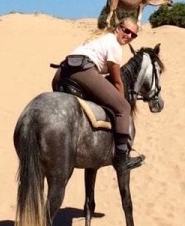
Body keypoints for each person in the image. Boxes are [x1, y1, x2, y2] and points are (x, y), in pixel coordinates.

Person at [53, 17, 145, 172]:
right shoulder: (114, 46)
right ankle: (122, 159)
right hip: (82, 70)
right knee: (123, 107)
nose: (129, 36)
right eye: (126, 30)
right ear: (118, 28)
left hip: (62, 72)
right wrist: (121, 101)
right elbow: (117, 82)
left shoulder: (101, 39)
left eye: (133, 35)